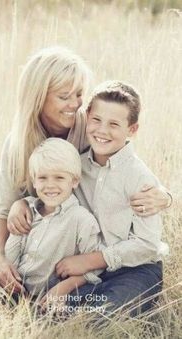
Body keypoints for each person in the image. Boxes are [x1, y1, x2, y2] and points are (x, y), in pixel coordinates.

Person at [0, 46, 171, 301]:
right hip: (40, 246)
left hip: (85, 252)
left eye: (78, 95)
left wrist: (165, 195)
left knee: (85, 309)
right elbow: (4, 211)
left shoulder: (89, 126)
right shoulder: (18, 143)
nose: (74, 104)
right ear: (39, 97)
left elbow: (122, 162)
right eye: (65, 96)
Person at [54, 81, 169, 316]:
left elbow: (146, 245)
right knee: (52, 308)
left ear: (132, 129)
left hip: (134, 268)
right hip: (87, 267)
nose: (102, 131)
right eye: (96, 120)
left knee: (101, 314)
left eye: (114, 124)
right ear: (87, 117)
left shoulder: (139, 177)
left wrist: (91, 261)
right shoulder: (77, 165)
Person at [0, 138, 103, 313]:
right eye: (43, 177)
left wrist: (63, 289)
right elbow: (8, 259)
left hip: (51, 300)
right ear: (34, 181)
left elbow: (93, 269)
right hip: (13, 295)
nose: (50, 185)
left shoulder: (82, 221)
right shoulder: (25, 213)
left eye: (59, 177)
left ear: (74, 181)